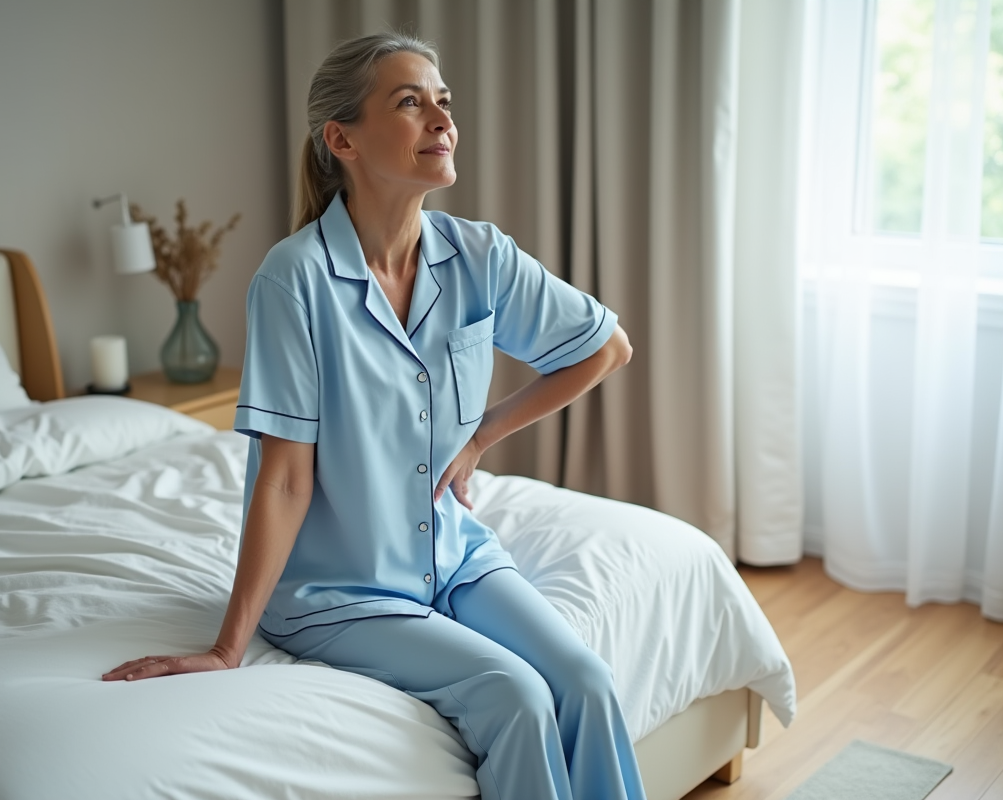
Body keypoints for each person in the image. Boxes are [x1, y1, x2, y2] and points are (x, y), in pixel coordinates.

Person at [104, 31, 644, 800]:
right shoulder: (294, 280)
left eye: (444, 101)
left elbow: (606, 348)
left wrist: (484, 434)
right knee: (517, 698)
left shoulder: (479, 255)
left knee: (585, 681)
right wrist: (229, 648)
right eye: (410, 101)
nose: (442, 119)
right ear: (342, 140)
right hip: (340, 591)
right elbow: (286, 482)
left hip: (455, 556)